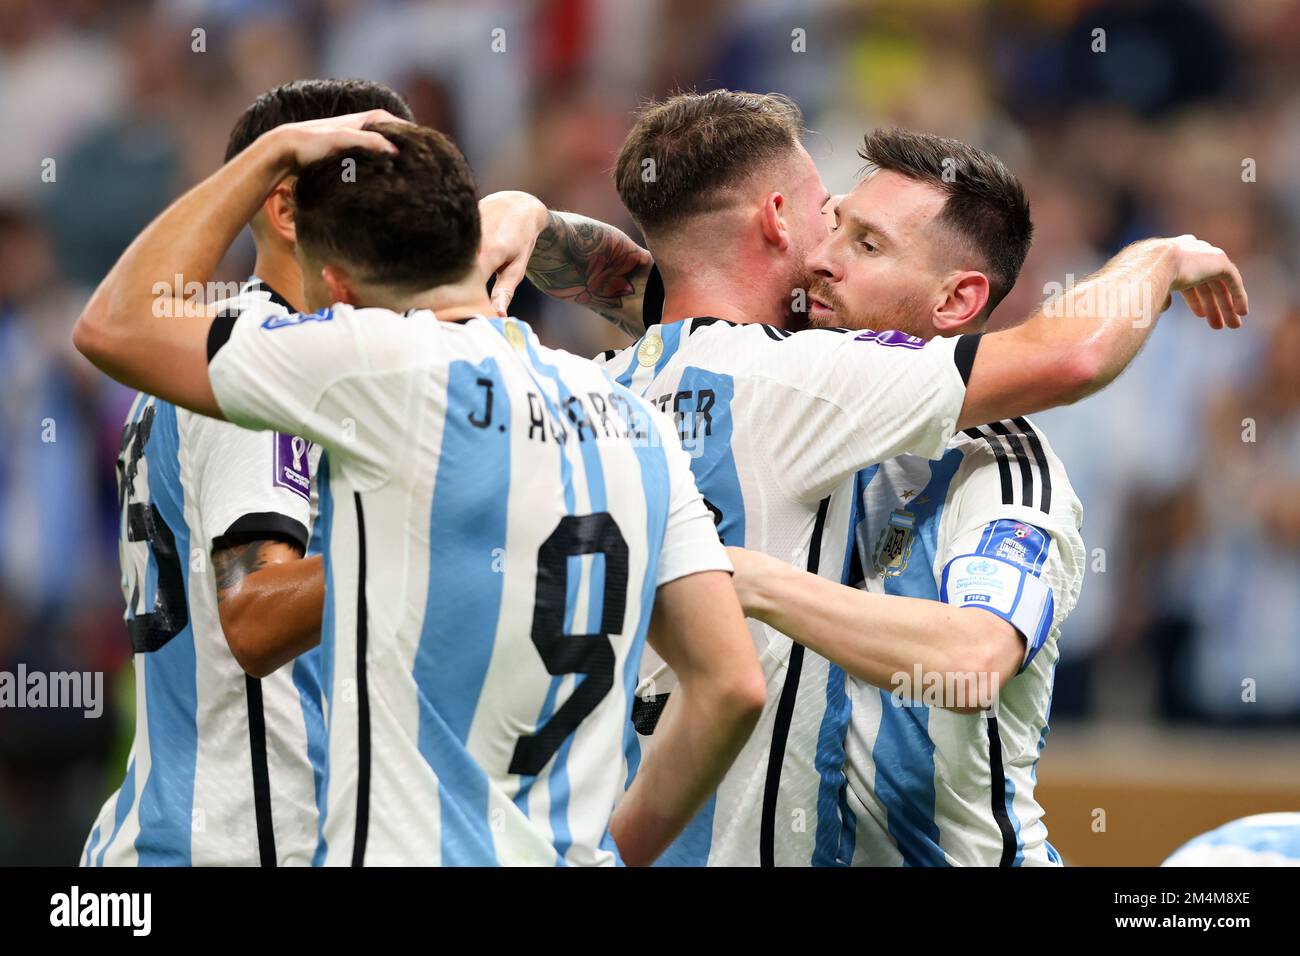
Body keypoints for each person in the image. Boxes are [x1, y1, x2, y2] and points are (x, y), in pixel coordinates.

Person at [479, 91, 1247, 865]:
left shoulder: (1001, 465)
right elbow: (675, 283)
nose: (824, 258)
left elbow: (972, 659)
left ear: (956, 299)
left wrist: (1160, 254)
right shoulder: (790, 377)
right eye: (833, 224)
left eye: (867, 246)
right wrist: (528, 217)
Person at [72, 112, 766, 866]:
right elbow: (732, 686)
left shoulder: (378, 368)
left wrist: (265, 155)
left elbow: (114, 326)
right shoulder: (634, 417)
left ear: (336, 289)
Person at [82, 78, 415, 867]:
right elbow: (254, 614)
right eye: (387, 184)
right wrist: (438, 543)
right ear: (286, 208)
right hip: (243, 845)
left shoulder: (203, 360)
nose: (414, 217)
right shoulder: (270, 361)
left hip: (168, 833)